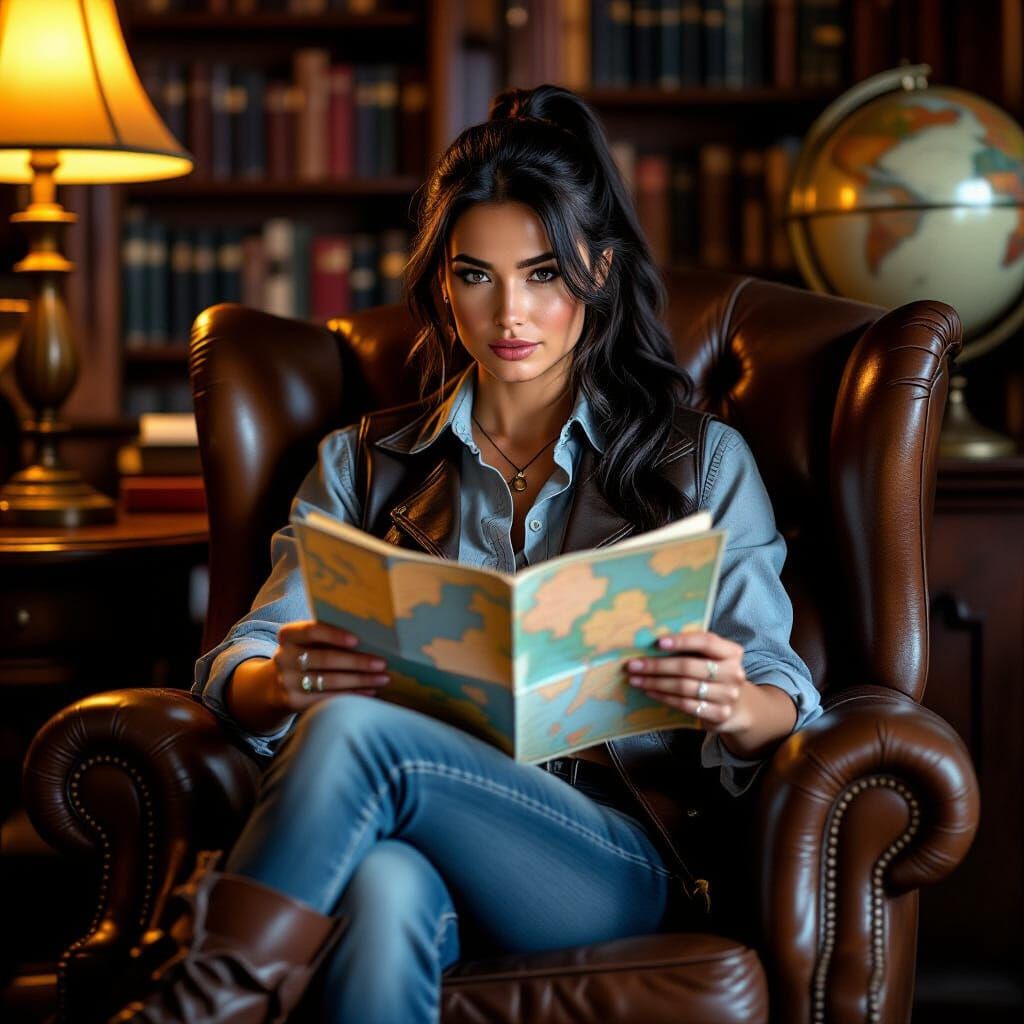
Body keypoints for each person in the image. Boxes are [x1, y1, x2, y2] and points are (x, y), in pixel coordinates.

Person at [109, 84, 821, 1024]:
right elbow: (240, 662)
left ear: (597, 273)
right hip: (411, 841)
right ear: (443, 282)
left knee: (356, 734)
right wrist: (279, 678)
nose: (509, 312)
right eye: (477, 275)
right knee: (384, 889)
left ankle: (195, 1005)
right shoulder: (361, 466)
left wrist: (735, 702)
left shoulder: (700, 464)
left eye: (543, 274)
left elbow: (782, 689)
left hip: (610, 857)